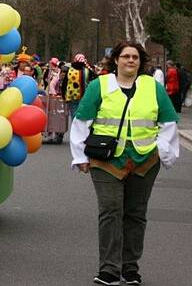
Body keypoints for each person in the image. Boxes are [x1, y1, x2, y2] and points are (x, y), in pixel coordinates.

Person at [69, 41, 179, 286]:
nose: (131, 61)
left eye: (135, 57)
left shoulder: (153, 87)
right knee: (110, 211)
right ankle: (109, 268)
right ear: (116, 59)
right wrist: (80, 156)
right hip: (106, 160)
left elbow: (168, 122)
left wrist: (163, 151)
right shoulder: (100, 85)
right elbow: (81, 120)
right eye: (126, 56)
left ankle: (130, 269)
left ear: (141, 62)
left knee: (136, 215)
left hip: (145, 160)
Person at [63, 53, 96, 118]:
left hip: (71, 96)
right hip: (84, 96)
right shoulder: (86, 71)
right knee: (82, 116)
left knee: (73, 116)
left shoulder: (70, 70)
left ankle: (74, 127)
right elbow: (93, 79)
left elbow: (65, 83)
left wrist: (64, 96)